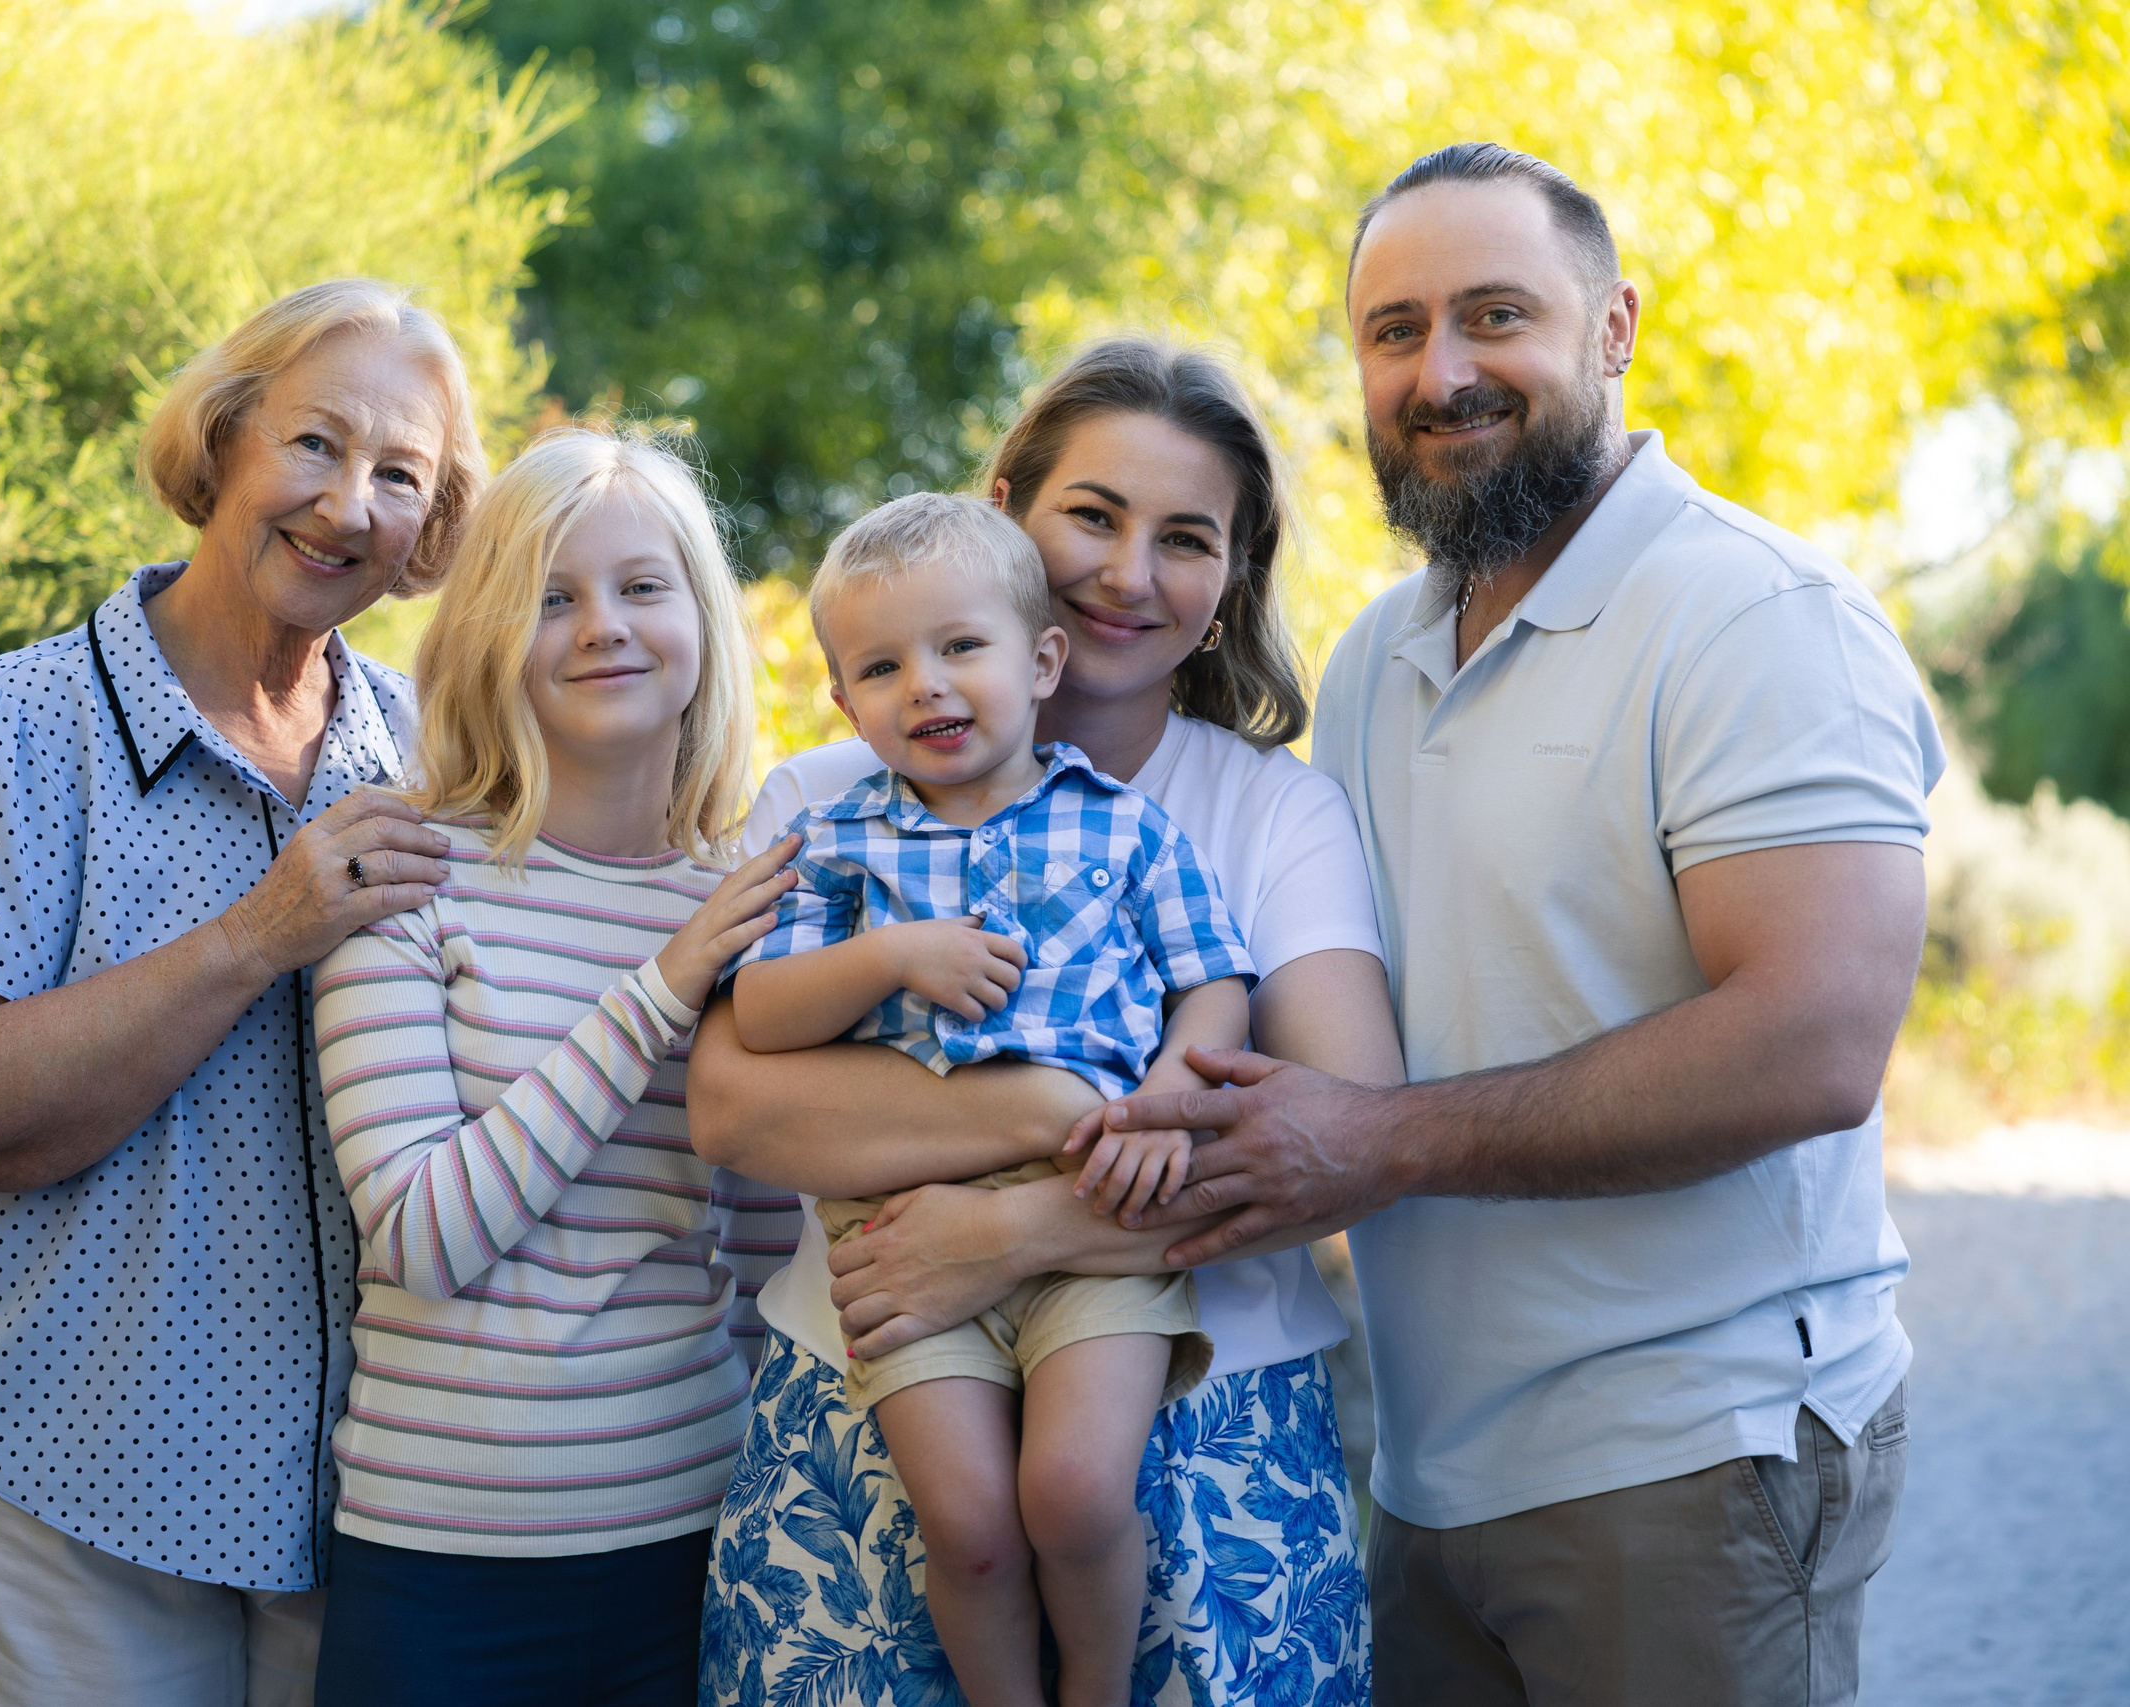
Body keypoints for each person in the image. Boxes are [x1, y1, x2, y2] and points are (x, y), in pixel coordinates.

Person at [1086, 144, 1938, 1705]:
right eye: (1396, 330)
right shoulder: (1373, 660)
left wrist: (1387, 1140)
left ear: (1613, 328)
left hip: (1689, 1463)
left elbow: (1812, 1040)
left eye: (1496, 317)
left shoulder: (1752, 617)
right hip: (1431, 1467)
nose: (1444, 370)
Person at [692, 338, 1403, 1707]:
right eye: (1091, 514)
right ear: (1010, 504)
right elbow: (738, 1106)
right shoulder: (827, 796)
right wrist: (1039, 1117)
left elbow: (1339, 1133)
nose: (1130, 571)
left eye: (1187, 538)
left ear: (1229, 584)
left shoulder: (1268, 810)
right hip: (868, 1413)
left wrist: (1013, 1226)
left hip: (1208, 1440)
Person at [0, 278, 483, 1706]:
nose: (346, 505)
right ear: (224, 438)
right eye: (316, 444)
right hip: (60, 1494)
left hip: (367, 1510)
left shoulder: (432, 754)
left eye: (402, 475)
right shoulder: (15, 725)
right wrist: (265, 931)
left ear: (432, 528)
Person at [726, 492, 1254, 1707]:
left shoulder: (1125, 828)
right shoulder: (837, 841)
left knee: (1072, 1492)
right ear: (842, 702)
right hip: (899, 1224)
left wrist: (1169, 1097)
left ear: (1041, 658)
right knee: (964, 1523)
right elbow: (759, 1018)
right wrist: (890, 960)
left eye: (960, 647)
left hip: (1091, 1216)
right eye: (881, 666)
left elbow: (1213, 984)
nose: (928, 686)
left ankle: (1097, 1691)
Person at [303, 428, 799, 1707]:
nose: (603, 629)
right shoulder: (408, 882)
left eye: (643, 588)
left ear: (701, 619)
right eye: (552, 597)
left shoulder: (749, 904)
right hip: (437, 1571)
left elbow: (758, 1249)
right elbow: (417, 1232)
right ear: (487, 634)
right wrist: (660, 990)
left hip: (695, 1547)